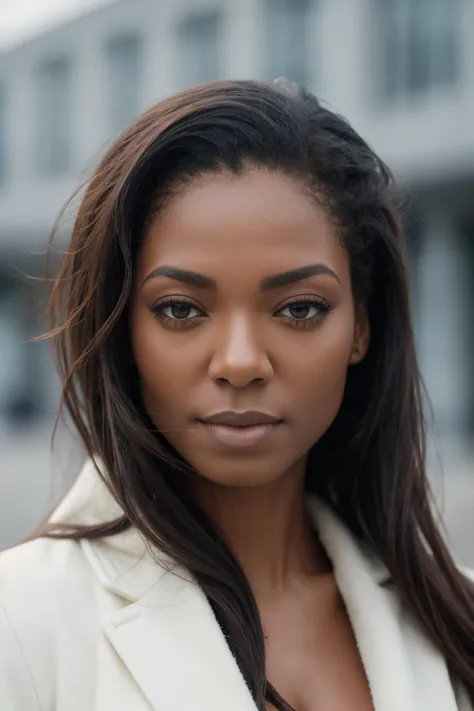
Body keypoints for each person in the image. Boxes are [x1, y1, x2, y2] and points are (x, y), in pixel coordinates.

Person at [0, 79, 473, 711]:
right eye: (180, 310)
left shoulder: (454, 615)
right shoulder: (21, 624)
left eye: (300, 308)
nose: (242, 362)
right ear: (122, 330)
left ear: (362, 325)